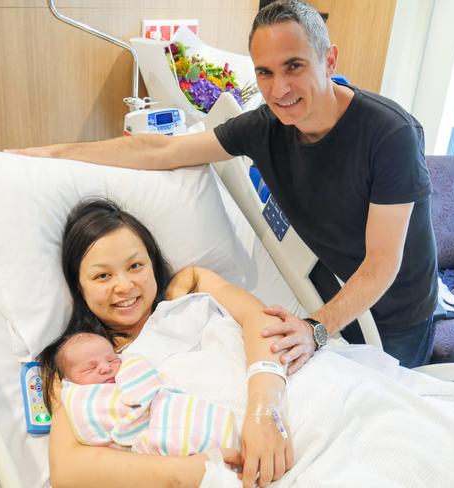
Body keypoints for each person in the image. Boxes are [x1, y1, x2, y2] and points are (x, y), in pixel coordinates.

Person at [11, 0, 438, 370]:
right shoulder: (266, 126)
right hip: (330, 285)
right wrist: (50, 154)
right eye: (265, 73)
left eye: (295, 66)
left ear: (330, 60)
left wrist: (316, 329)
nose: (280, 89)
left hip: (397, 307)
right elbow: (160, 152)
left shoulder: (389, 134)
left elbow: (382, 265)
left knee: (390, 409)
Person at [46, 198, 293, 488]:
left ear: (152, 262)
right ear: (79, 286)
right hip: (223, 463)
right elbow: (66, 469)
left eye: (136, 265)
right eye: (102, 275)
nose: (124, 286)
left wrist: (264, 409)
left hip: (281, 399)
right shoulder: (85, 365)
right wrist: (189, 472)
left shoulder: (190, 286)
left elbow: (261, 320)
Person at [39, 331, 238, 455]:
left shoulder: (130, 367)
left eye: (111, 360)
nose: (105, 368)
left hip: (169, 415)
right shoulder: (81, 399)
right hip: (145, 444)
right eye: (90, 368)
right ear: (70, 380)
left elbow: (154, 391)